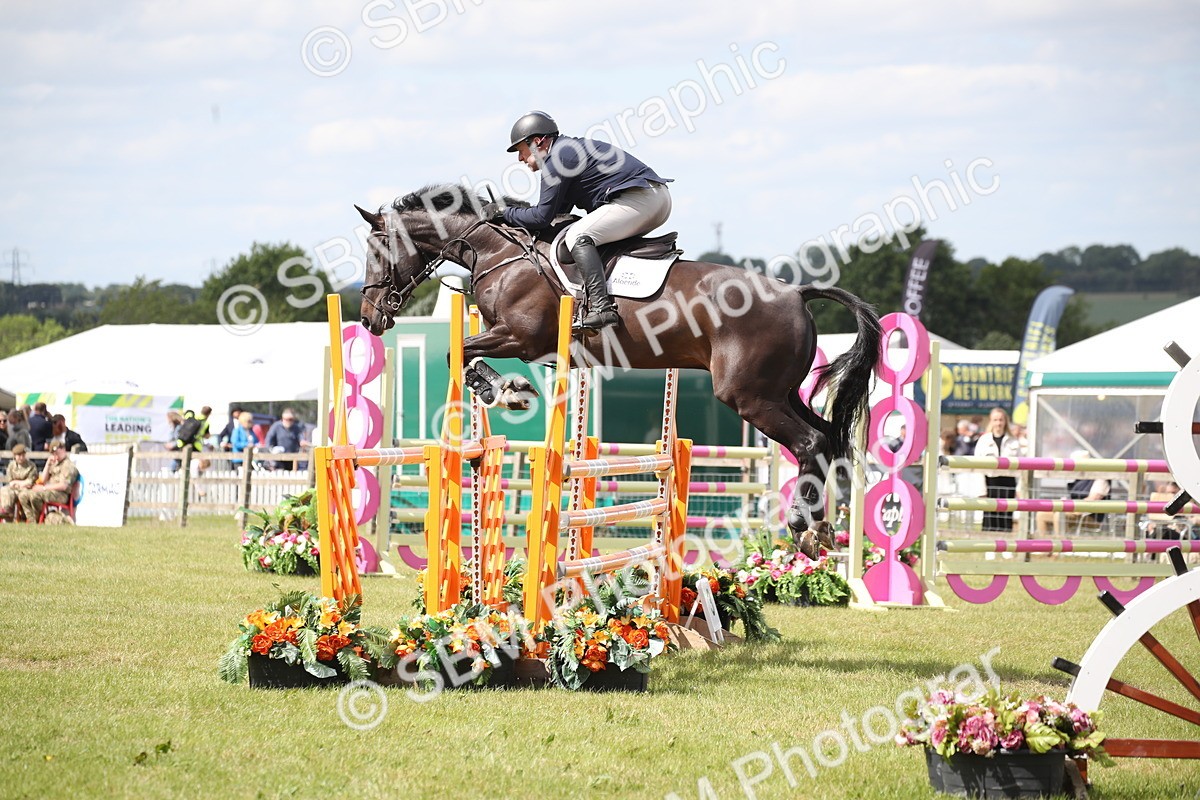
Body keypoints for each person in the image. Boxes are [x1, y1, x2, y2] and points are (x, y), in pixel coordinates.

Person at [484, 111, 673, 333]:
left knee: (578, 236)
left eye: (520, 150)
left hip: (641, 199)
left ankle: (602, 308)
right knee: (584, 234)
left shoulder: (557, 159)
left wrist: (504, 212)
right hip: (651, 198)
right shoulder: (564, 153)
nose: (519, 158)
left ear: (537, 142)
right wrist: (516, 214)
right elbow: (555, 215)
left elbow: (541, 217)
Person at [1035, 451, 1110, 535]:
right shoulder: (1079, 479)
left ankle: (1060, 541)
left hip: (1090, 516)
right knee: (1041, 515)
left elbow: (1092, 500)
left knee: (1059, 516)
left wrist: (1068, 506)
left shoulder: (1100, 479)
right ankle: (1045, 542)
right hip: (1076, 511)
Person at [972, 407, 1022, 532]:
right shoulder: (984, 441)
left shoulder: (1014, 441)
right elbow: (978, 467)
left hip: (1008, 482)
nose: (998, 423)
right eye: (995, 420)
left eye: (1001, 420)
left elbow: (1021, 467)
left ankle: (1005, 543)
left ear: (1005, 421)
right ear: (991, 421)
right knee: (990, 517)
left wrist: (1019, 488)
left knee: (1006, 518)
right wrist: (981, 490)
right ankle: (989, 544)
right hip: (990, 482)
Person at [17, 441, 78, 522]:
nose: (55, 455)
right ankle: (31, 520)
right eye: (53, 453)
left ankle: (39, 519)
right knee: (23, 495)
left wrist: (44, 488)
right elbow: (43, 480)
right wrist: (48, 464)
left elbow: (63, 486)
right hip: (49, 491)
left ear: (63, 449)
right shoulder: (55, 463)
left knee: (35, 495)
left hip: (61, 494)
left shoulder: (68, 465)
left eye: (57, 452)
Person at [0, 444, 39, 521]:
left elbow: (30, 482)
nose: (21, 457)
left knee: (23, 494)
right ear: (14, 456)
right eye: (19, 455)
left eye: (23, 455)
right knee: (4, 490)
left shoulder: (31, 466)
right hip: (14, 489)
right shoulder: (11, 465)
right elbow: (10, 482)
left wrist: (17, 482)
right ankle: (7, 512)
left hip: (27, 490)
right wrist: (21, 483)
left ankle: (27, 518)